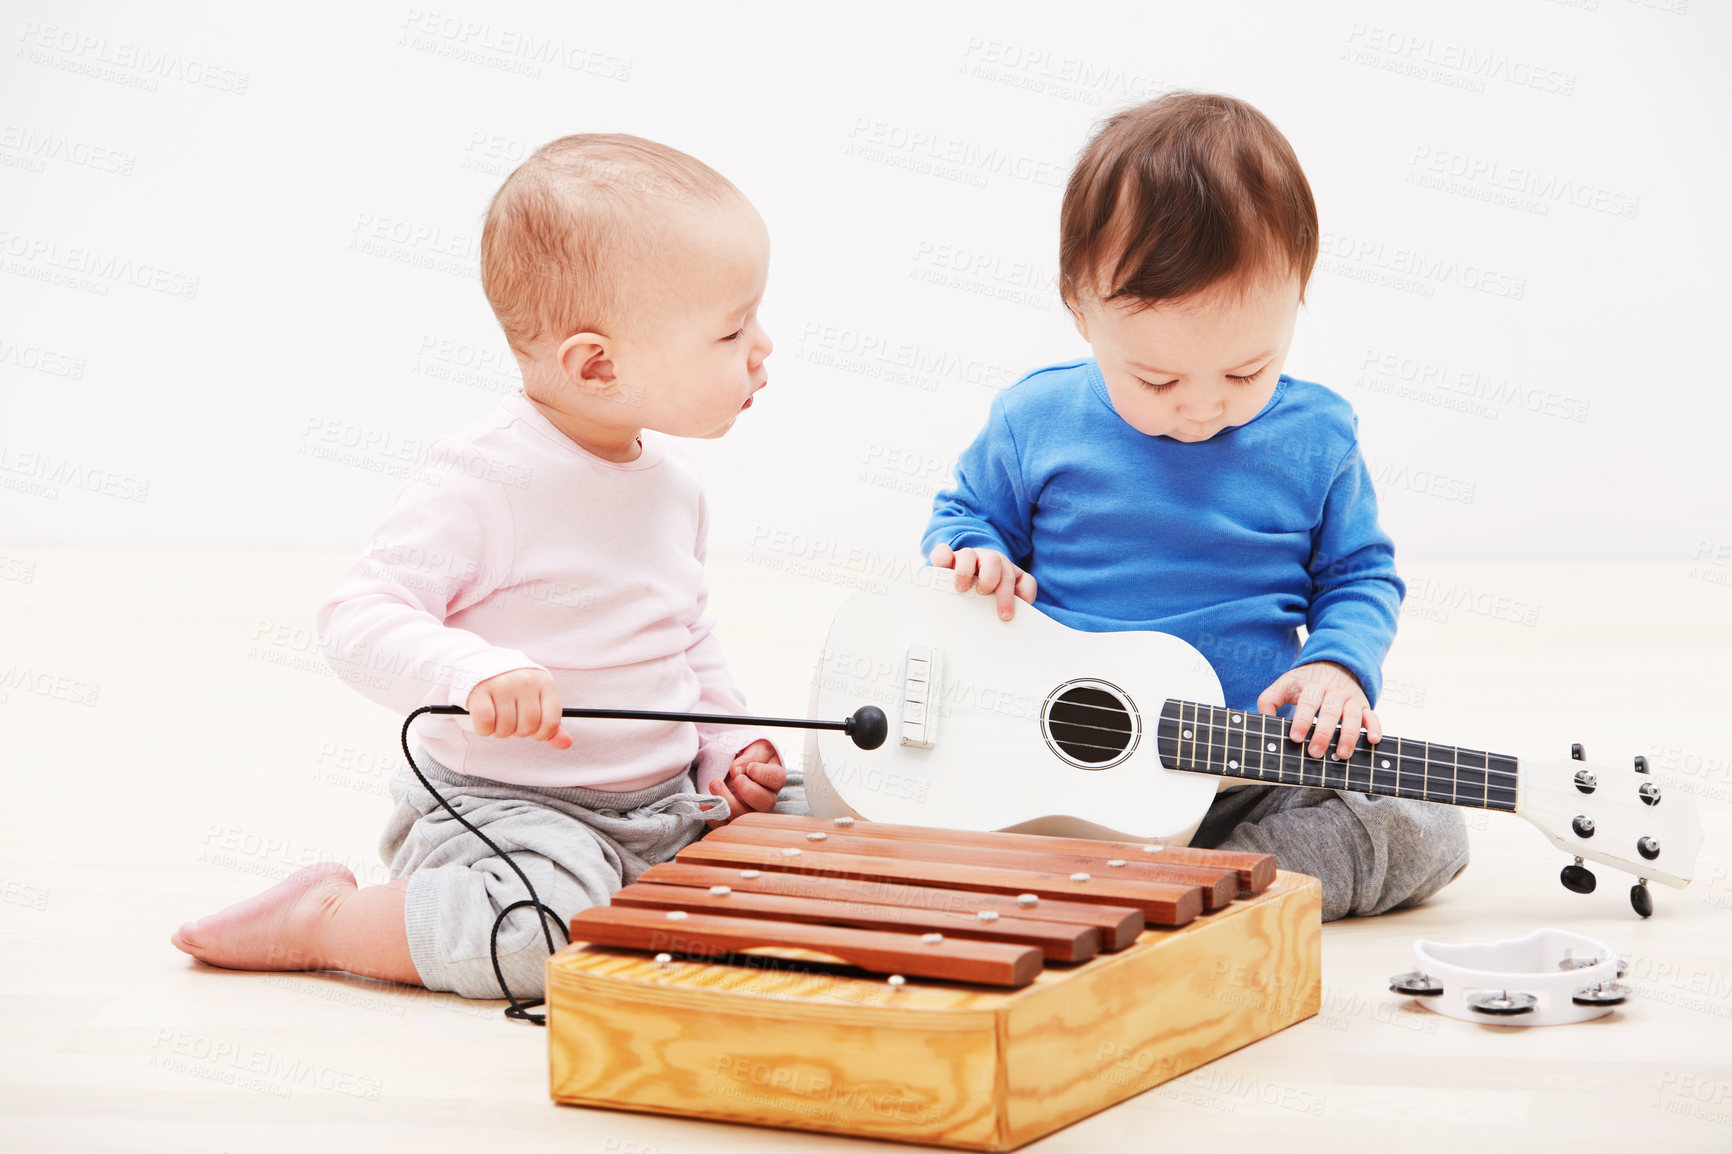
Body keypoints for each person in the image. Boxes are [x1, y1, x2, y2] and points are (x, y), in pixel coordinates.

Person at [172, 135, 789, 999]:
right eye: (732, 329)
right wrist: (476, 671)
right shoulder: (486, 477)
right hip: (513, 809)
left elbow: (686, 636)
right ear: (597, 364)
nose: (764, 347)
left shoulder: (673, 489)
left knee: (813, 819)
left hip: (668, 800)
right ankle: (326, 921)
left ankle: (648, 873)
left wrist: (726, 745)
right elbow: (359, 616)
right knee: (533, 938)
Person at [921, 92, 1468, 920]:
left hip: (1243, 775)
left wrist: (1336, 665)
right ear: (1080, 308)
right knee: (878, 786)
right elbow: (964, 520)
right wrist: (974, 554)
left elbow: (1359, 575)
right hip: (1059, 773)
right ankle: (1193, 885)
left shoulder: (1318, 437)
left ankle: (1196, 878)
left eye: (1247, 371)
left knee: (1428, 825)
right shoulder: (1036, 420)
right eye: (1159, 379)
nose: (1205, 407)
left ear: (1299, 302)